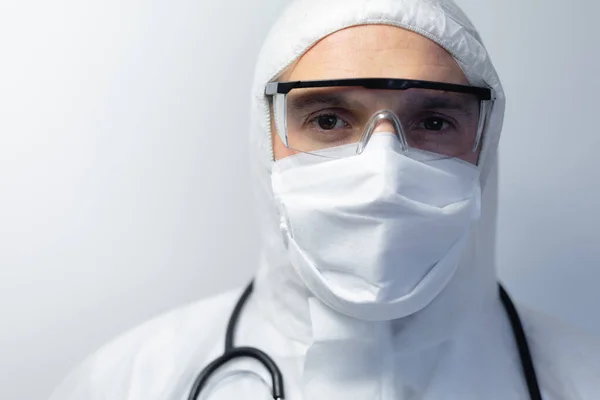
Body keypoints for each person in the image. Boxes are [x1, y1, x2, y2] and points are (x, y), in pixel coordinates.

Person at [49, 0, 600, 399]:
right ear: (265, 141)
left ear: (484, 147)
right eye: (329, 119)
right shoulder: (127, 382)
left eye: (433, 121)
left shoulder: (582, 377)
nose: (384, 172)